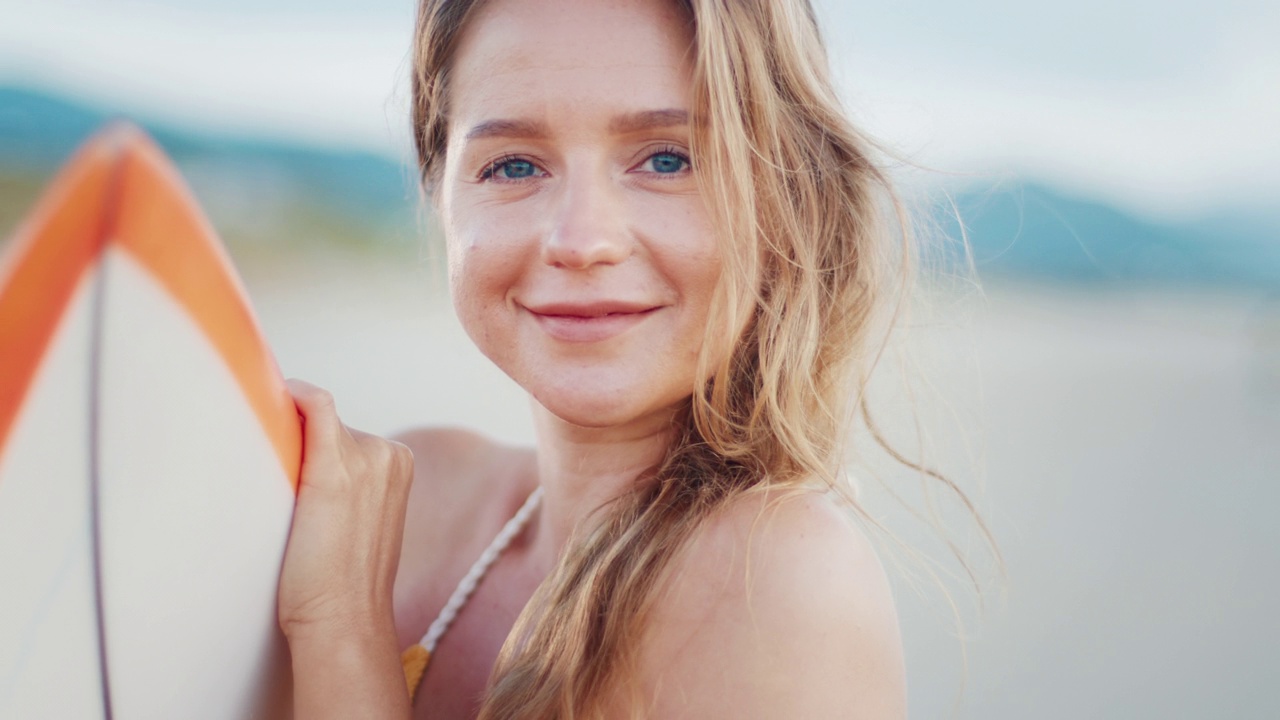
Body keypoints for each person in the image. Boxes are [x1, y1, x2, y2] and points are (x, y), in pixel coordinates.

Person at [278, 0, 920, 717]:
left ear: (788, 202)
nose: (581, 240)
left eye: (668, 159)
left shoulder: (778, 577)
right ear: (441, 195)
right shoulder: (419, 499)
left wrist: (339, 627)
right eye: (514, 164)